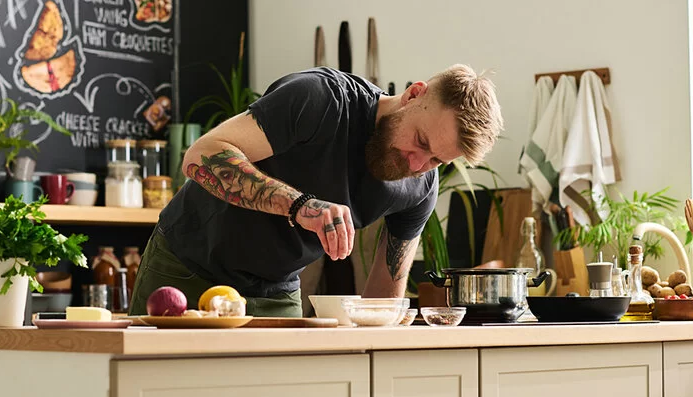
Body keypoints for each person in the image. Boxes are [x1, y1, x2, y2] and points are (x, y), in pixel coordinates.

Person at [129, 64, 503, 317]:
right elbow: (201, 156)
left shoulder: (420, 187)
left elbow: (385, 293)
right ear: (413, 94)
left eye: (437, 160)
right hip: (186, 267)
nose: (417, 164)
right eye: (421, 141)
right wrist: (300, 205)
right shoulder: (321, 99)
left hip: (275, 292)